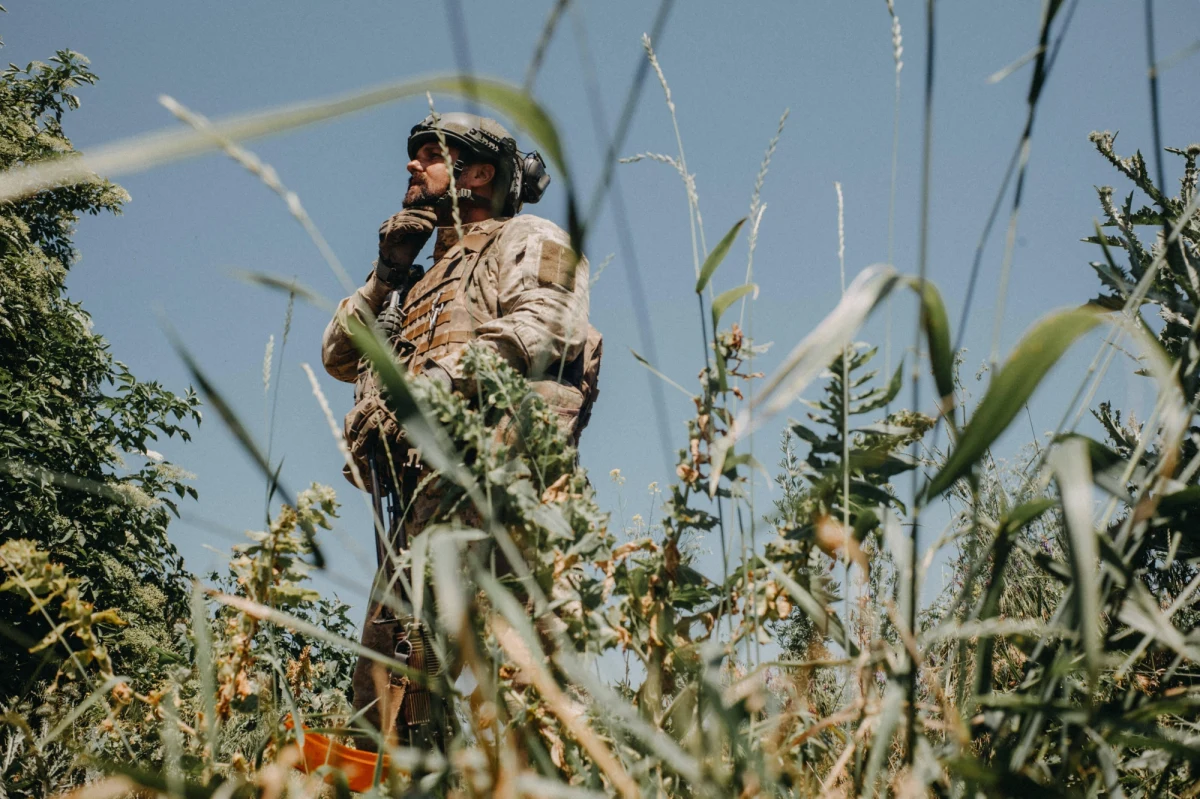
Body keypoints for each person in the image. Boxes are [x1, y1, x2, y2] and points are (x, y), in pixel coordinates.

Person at [320, 112, 600, 752]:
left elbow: (547, 322)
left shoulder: (525, 237)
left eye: (429, 153)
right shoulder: (414, 281)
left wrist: (431, 386)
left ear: (478, 173)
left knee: (520, 681)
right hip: (419, 507)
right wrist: (387, 272)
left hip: (500, 491)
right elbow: (340, 356)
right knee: (384, 700)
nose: (412, 166)